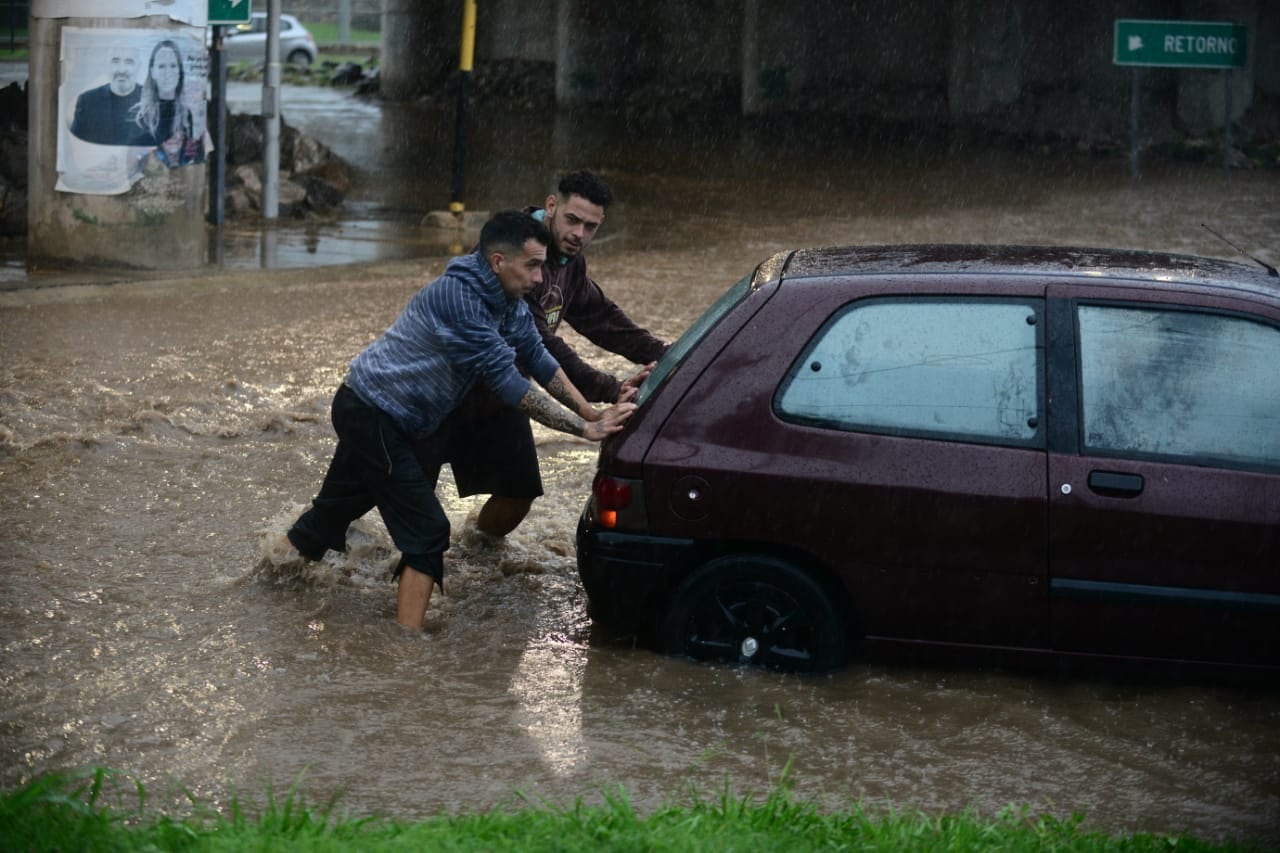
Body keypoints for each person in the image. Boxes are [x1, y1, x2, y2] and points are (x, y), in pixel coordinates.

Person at [281, 211, 635, 631]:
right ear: (499, 262)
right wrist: (583, 431)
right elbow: (509, 384)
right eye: (533, 265)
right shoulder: (459, 299)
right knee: (429, 531)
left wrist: (592, 412)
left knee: (331, 515)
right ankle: (407, 651)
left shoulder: (509, 299)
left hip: (398, 416)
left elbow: (538, 356)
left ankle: (270, 584)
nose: (541, 278)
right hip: (372, 412)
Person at [446, 170, 668, 543]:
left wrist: (670, 354)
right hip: (446, 393)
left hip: (503, 395)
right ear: (551, 206)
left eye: (591, 227)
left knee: (518, 493)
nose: (579, 234)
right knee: (374, 496)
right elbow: (542, 345)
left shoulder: (570, 262)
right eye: (572, 220)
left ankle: (472, 556)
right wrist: (610, 389)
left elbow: (602, 319)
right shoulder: (516, 251)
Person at [129, 39, 202, 166]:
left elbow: (187, 157)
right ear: (152, 72)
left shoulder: (185, 114)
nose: (167, 73)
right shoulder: (138, 115)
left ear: (180, 71)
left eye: (173, 65)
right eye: (161, 66)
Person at [69, 44, 143, 145]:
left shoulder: (153, 100)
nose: (121, 70)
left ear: (138, 66)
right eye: (115, 61)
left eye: (129, 62)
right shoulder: (87, 101)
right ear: (107, 65)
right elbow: (75, 144)